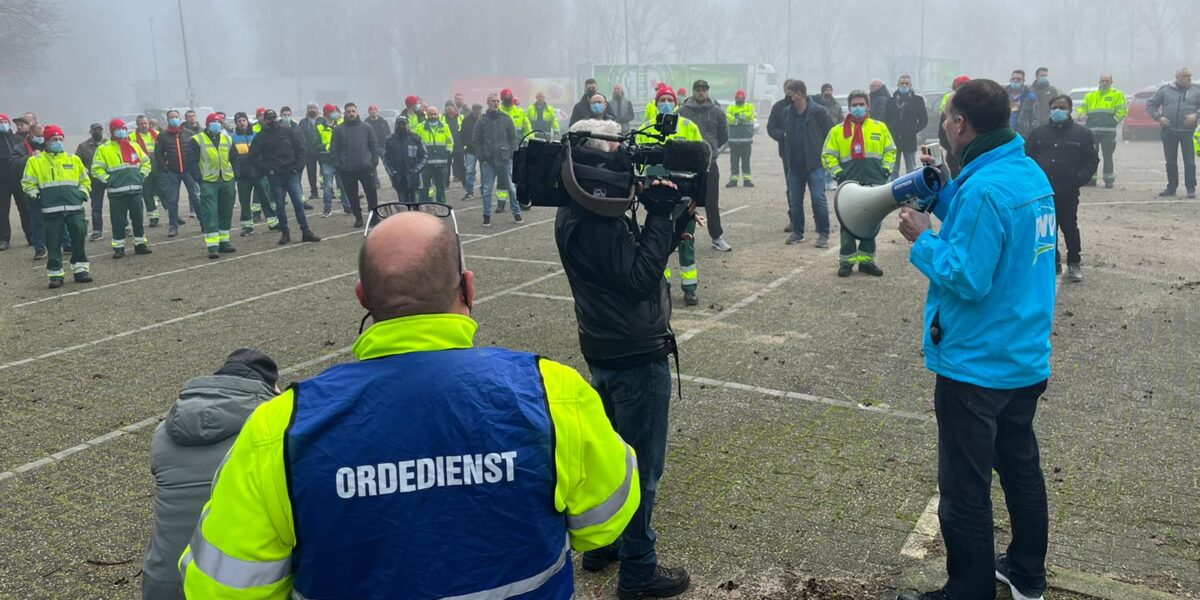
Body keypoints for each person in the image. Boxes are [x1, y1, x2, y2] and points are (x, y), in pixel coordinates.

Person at [180, 210, 638, 597]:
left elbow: (218, 587)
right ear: (469, 289)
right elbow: (604, 522)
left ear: (363, 298)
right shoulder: (552, 391)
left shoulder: (278, 428)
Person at [896, 78, 1057, 600]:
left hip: (976, 365)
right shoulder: (1024, 171)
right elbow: (994, 236)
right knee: (1020, 470)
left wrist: (923, 238)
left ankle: (968, 590)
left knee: (964, 489)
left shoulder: (986, 190)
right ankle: (1026, 573)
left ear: (961, 124)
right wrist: (945, 199)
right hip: (1023, 358)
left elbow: (967, 275)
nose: (943, 126)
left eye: (946, 119)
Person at [554, 124, 693, 599]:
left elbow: (630, 264)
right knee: (641, 470)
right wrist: (657, 217)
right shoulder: (595, 220)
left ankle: (603, 545)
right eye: (616, 152)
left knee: (612, 458)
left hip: (606, 346)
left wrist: (670, 229)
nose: (625, 161)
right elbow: (637, 280)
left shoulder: (583, 209)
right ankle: (638, 570)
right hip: (634, 357)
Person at [141, 348, 281, 600]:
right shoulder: (270, 432)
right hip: (225, 586)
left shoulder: (164, 431)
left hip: (161, 580)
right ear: (270, 388)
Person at [635, 89, 706, 307]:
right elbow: (638, 163)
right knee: (659, 244)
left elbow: (703, 165)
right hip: (657, 198)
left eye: (669, 100)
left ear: (675, 103)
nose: (666, 103)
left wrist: (698, 198)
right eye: (662, 100)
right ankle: (662, 285)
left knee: (686, 242)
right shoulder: (645, 129)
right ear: (656, 104)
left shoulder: (689, 127)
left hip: (684, 197)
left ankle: (690, 289)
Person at [823, 89, 895, 277]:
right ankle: (846, 262)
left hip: (874, 181)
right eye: (854, 105)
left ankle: (867, 261)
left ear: (868, 106)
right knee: (848, 222)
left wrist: (886, 169)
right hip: (849, 184)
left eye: (861, 104)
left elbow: (890, 151)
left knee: (871, 221)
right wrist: (838, 173)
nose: (858, 108)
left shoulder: (880, 128)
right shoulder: (837, 131)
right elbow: (828, 156)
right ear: (849, 107)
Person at [1027, 95, 1098, 283]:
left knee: (1069, 227)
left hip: (1068, 191)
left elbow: (1091, 160)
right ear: (1050, 110)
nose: (1058, 110)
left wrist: (1078, 179)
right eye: (1055, 107)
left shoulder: (1082, 134)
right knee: (1048, 229)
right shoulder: (1038, 134)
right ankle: (1054, 261)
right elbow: (1028, 159)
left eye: (1062, 107)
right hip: (1043, 192)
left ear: (1069, 110)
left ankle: (1074, 262)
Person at [21, 125, 92, 288]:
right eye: (54, 140)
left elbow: (85, 180)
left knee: (79, 239)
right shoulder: (35, 161)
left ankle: (81, 270)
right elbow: (27, 183)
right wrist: (36, 195)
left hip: (75, 209)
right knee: (52, 243)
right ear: (46, 142)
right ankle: (56, 275)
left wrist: (82, 193)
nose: (58, 142)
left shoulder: (73, 159)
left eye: (61, 139)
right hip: (51, 210)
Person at [770, 79, 835, 246]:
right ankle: (798, 232)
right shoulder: (786, 112)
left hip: (814, 164)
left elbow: (831, 133)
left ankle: (824, 233)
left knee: (818, 198)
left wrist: (827, 155)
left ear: (799, 94)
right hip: (794, 165)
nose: (787, 96)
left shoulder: (819, 112)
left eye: (790, 93)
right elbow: (779, 131)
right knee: (795, 200)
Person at [251, 109, 321, 245]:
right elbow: (253, 156)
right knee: (279, 206)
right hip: (275, 176)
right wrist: (268, 170)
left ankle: (306, 231)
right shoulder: (261, 136)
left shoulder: (287, 131)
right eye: (269, 118)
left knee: (298, 204)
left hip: (291, 173)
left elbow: (300, 148)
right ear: (265, 120)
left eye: (273, 118)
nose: (272, 120)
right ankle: (285, 233)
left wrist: (298, 167)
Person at [679, 79, 731, 252]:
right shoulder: (682, 111)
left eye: (704, 90)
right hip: (686, 164)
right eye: (698, 90)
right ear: (693, 91)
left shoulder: (717, 112)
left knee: (711, 202)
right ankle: (680, 235)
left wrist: (711, 149)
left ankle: (717, 237)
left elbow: (723, 135)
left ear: (708, 92)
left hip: (709, 164)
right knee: (684, 202)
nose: (701, 92)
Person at [91, 118, 152, 259]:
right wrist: (108, 180)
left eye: (123, 128)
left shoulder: (134, 146)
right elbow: (96, 169)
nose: (122, 131)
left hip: (135, 190)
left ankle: (140, 244)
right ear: (112, 131)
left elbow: (146, 162)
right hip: (117, 192)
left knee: (137, 218)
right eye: (118, 129)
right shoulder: (104, 149)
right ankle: (119, 248)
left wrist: (141, 176)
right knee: (118, 221)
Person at [188, 113, 238, 259]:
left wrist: (236, 175)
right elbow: (191, 162)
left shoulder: (227, 138)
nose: (216, 124)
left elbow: (234, 158)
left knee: (226, 212)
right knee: (210, 213)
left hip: (227, 180)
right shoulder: (197, 140)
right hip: (208, 182)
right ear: (208, 124)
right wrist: (199, 179)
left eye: (218, 122)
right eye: (213, 122)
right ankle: (212, 246)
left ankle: (224, 242)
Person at [1146, 68, 1200, 198]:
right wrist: (1158, 117)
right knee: (1170, 161)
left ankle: (1191, 188)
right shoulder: (1165, 90)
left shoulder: (1196, 90)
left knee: (1189, 161)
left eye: (1190, 76)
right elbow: (1151, 104)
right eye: (1186, 76)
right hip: (1169, 131)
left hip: (1188, 132)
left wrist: (1196, 116)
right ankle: (1171, 187)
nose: (1189, 79)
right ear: (1178, 78)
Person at [472, 93, 523, 226]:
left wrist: (512, 153)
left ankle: (517, 212)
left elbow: (513, 138)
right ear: (488, 103)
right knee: (487, 189)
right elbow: (476, 140)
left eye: (497, 101)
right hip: (488, 161)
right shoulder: (482, 120)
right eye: (493, 101)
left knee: (511, 188)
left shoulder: (506, 119)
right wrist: (481, 157)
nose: (496, 103)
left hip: (505, 159)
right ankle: (487, 216)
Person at [331, 102, 380, 225]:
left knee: (371, 194)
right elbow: (334, 148)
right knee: (352, 196)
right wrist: (338, 164)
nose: (351, 113)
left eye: (353, 111)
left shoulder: (366, 127)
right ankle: (358, 217)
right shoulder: (338, 129)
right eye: (348, 112)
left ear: (357, 112)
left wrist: (374, 160)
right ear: (345, 113)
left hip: (365, 167)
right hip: (347, 169)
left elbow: (373, 144)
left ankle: (374, 217)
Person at [230, 112, 278, 236]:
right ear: (236, 123)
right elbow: (232, 157)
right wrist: (237, 172)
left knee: (265, 199)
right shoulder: (232, 138)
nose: (241, 123)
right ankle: (247, 226)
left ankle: (273, 223)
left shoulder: (257, 135)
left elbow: (265, 152)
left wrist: (265, 168)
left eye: (243, 120)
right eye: (239, 121)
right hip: (243, 176)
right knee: (244, 202)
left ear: (247, 121)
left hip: (259, 173)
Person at [155, 110, 198, 237]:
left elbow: (195, 152)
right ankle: (173, 226)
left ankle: (203, 222)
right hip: (172, 172)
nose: (174, 119)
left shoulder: (189, 134)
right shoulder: (163, 136)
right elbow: (158, 154)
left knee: (196, 197)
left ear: (180, 118)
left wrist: (193, 167)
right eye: (171, 117)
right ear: (167, 120)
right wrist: (165, 168)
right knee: (172, 200)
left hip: (188, 171)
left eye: (176, 117)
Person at [1077, 75, 1126, 189]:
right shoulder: (1091, 96)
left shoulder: (1117, 94)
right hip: (1091, 131)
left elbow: (1122, 110)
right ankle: (1091, 179)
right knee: (1091, 156)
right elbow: (1082, 108)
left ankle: (1109, 180)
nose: (1104, 83)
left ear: (1111, 82)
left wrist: (1113, 121)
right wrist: (1081, 115)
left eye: (1107, 81)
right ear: (1099, 81)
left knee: (1107, 155)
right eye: (1102, 81)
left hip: (1108, 131)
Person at [12, 121, 49, 259]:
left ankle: (65, 243)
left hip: (50, 188)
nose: (41, 138)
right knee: (36, 219)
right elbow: (14, 165)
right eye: (38, 135)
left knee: (57, 218)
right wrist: (30, 157)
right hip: (31, 189)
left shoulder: (49, 146)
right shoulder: (19, 148)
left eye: (42, 135)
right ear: (31, 134)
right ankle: (39, 248)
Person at [884, 74, 929, 178]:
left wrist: (914, 130)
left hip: (909, 139)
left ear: (910, 85)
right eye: (902, 83)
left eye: (906, 83)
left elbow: (924, 119)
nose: (904, 86)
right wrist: (891, 130)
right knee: (894, 170)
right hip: (894, 139)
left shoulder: (917, 100)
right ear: (897, 85)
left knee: (911, 169)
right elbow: (886, 118)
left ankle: (911, 190)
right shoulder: (891, 100)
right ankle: (892, 190)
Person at [131, 115, 164, 228]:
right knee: (147, 193)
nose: (144, 126)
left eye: (146, 123)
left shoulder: (157, 134)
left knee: (164, 190)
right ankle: (153, 217)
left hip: (158, 165)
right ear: (137, 125)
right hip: (143, 166)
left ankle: (172, 214)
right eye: (141, 124)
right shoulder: (131, 137)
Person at [315, 103, 348, 216]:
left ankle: (347, 207)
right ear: (328, 113)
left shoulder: (340, 124)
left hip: (339, 160)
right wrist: (327, 147)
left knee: (343, 186)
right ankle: (327, 209)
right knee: (327, 187)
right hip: (327, 161)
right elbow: (315, 144)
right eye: (333, 111)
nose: (336, 113)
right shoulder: (319, 127)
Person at [383, 116, 426, 203]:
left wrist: (416, 170)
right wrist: (392, 172)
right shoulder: (390, 140)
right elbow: (386, 159)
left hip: (415, 178)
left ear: (408, 125)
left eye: (404, 124)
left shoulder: (416, 138)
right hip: (399, 179)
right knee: (403, 206)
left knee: (416, 206)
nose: (402, 126)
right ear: (396, 125)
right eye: (399, 124)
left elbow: (424, 156)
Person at [76, 123, 107, 241]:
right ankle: (97, 231)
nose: (97, 132)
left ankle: (124, 228)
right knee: (96, 206)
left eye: (99, 130)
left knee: (117, 205)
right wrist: (84, 171)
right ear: (90, 132)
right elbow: (77, 162)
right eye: (95, 130)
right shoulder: (83, 147)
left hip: (110, 178)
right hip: (94, 181)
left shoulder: (108, 143)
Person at [417, 105, 452, 203]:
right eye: (430, 114)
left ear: (438, 114)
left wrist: (448, 151)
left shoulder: (445, 126)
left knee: (441, 186)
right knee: (425, 187)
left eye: (434, 114)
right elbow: (417, 143)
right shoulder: (420, 127)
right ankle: (426, 203)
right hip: (426, 163)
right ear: (427, 115)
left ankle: (441, 204)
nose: (433, 116)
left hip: (441, 162)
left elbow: (450, 140)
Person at [939, 76, 972, 178]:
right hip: (953, 158)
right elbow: (942, 135)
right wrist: (954, 149)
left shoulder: (975, 108)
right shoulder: (947, 107)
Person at [0, 113, 24, 251]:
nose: (2, 124)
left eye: (4, 121)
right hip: (2, 181)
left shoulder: (18, 139)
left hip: (18, 179)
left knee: (25, 209)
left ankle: (31, 235)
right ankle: (3, 239)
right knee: (2, 211)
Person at [725, 89, 757, 188]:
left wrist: (737, 117)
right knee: (734, 162)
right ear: (735, 98)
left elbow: (749, 115)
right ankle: (733, 180)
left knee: (746, 162)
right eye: (738, 97)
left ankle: (747, 180)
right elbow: (728, 116)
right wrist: (737, 118)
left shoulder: (749, 106)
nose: (740, 99)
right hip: (734, 141)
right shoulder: (731, 107)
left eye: (742, 97)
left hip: (746, 141)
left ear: (744, 98)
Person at [298, 103, 321, 200]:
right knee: (311, 173)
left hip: (321, 151)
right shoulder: (303, 122)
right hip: (308, 152)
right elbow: (300, 136)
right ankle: (314, 192)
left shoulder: (322, 121)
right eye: (310, 108)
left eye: (314, 108)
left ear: (317, 110)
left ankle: (330, 191)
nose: (312, 110)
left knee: (326, 173)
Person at [365, 104, 391, 190]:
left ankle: (393, 179)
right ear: (369, 112)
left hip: (383, 146)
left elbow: (388, 133)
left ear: (377, 111)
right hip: (371, 147)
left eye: (375, 110)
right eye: (371, 110)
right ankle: (376, 182)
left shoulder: (383, 121)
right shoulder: (366, 123)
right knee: (373, 165)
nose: (373, 111)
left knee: (388, 163)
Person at [1007, 70, 1038, 138]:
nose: (1015, 81)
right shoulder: (1003, 94)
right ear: (1010, 80)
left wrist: (1032, 134)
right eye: (1013, 79)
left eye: (1018, 79)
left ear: (1023, 81)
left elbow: (1035, 118)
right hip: (1005, 134)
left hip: (1023, 135)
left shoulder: (1030, 97)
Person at [445, 103, 465, 183]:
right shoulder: (442, 118)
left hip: (458, 145)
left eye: (451, 107)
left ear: (454, 109)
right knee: (447, 166)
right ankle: (446, 183)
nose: (449, 109)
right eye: (447, 108)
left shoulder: (460, 117)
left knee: (461, 166)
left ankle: (464, 183)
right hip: (447, 146)